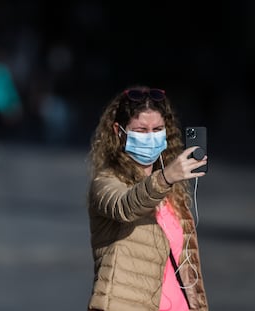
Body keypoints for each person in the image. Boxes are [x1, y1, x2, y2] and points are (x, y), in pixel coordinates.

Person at [87, 86, 209, 311]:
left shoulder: (172, 192)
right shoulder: (105, 181)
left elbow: (186, 267)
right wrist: (166, 177)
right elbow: (125, 206)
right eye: (141, 130)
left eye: (157, 129)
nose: (150, 137)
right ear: (119, 131)